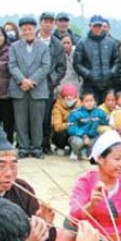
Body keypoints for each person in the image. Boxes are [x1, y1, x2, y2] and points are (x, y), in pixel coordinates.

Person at [9, 16, 52, 159]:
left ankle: (36, 148)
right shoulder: (14, 47)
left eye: (30, 29)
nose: (27, 32)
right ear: (20, 31)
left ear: (35, 29)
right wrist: (22, 80)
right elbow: (12, 65)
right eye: (24, 29)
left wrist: (32, 81)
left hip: (37, 88)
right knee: (20, 120)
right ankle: (23, 147)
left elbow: (45, 67)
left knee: (37, 120)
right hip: (19, 88)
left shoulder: (43, 47)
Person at [37, 12, 67, 155]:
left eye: (50, 22)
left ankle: (44, 144)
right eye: (45, 21)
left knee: (46, 117)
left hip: (48, 86)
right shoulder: (31, 40)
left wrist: (51, 81)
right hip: (30, 85)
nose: (48, 24)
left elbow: (61, 67)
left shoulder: (57, 44)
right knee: (30, 116)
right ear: (40, 23)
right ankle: (28, 144)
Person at [74, 15, 119, 103]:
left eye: (99, 26)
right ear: (90, 26)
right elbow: (77, 63)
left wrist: (111, 73)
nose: (97, 28)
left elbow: (117, 61)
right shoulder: (82, 43)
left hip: (108, 84)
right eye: (95, 26)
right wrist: (88, 74)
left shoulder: (111, 43)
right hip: (90, 84)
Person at [67, 90, 107, 160]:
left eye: (91, 101)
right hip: (80, 138)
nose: (89, 103)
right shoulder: (75, 113)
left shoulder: (99, 112)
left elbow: (106, 122)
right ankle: (75, 151)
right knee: (77, 142)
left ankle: (86, 151)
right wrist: (83, 136)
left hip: (93, 138)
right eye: (87, 101)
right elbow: (71, 127)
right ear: (82, 102)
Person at [52, 83, 79, 155]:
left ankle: (75, 149)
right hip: (63, 131)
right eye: (66, 96)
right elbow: (57, 126)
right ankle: (60, 147)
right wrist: (68, 124)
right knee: (61, 133)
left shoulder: (81, 106)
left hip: (76, 131)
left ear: (75, 96)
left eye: (71, 95)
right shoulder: (57, 106)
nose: (69, 97)